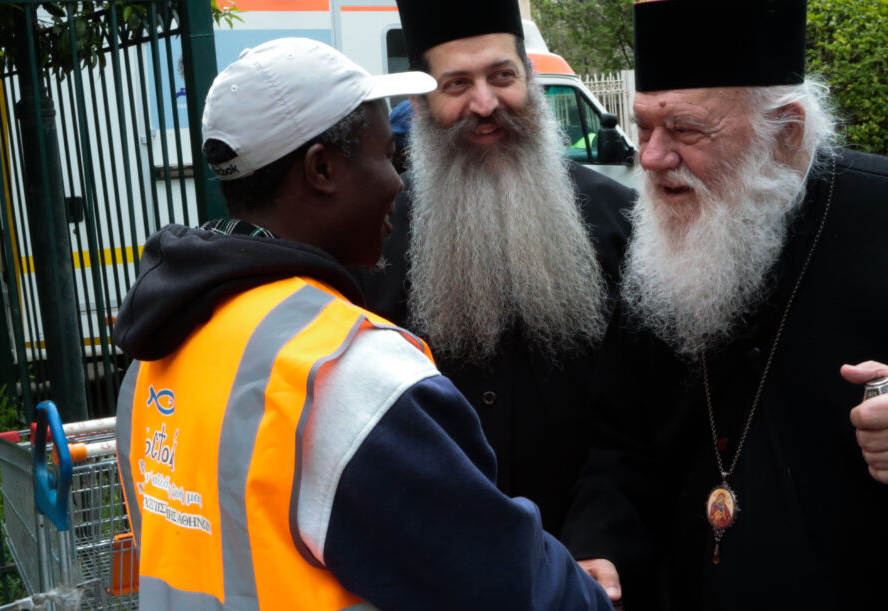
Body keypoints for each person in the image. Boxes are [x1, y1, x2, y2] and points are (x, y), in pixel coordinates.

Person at [112, 37, 612, 610]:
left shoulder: (157, 352)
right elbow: (506, 584)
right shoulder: (347, 374)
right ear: (322, 168)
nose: (401, 183)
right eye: (388, 156)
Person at [562, 0, 888, 610]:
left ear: (787, 132)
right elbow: (622, 445)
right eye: (644, 126)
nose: (651, 157)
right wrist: (600, 545)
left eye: (685, 130)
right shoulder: (660, 245)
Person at [350, 0, 635, 538]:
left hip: (589, 565)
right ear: (424, 103)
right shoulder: (373, 242)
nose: (484, 104)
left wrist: (602, 541)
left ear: (528, 79)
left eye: (502, 76)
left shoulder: (618, 222)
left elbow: (645, 417)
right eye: (457, 84)